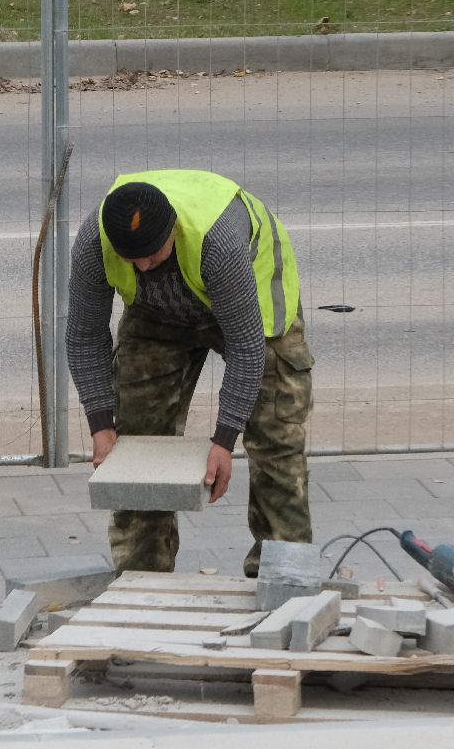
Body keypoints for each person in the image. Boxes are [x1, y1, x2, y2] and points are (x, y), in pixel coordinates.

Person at [66, 169, 314, 577]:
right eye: (132, 258)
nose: (143, 266)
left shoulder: (218, 241)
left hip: (253, 311)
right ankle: (142, 580)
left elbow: (246, 349)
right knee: (137, 445)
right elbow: (83, 336)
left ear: (174, 229)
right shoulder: (95, 241)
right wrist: (100, 425)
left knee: (276, 439)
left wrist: (223, 441)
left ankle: (284, 578)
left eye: (152, 253)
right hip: (157, 316)